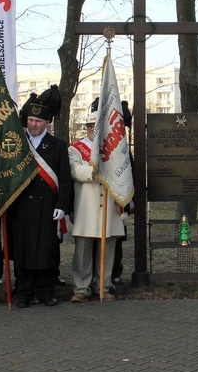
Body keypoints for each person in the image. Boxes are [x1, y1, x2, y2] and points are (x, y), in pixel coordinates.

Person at [9, 85, 72, 308]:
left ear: (47, 122)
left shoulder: (57, 146)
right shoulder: (16, 144)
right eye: (30, 121)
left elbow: (65, 180)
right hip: (21, 206)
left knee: (46, 249)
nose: (33, 125)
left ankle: (45, 291)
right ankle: (24, 291)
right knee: (23, 249)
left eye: (38, 121)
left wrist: (63, 205)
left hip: (48, 207)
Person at [69, 105, 125, 303]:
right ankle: (82, 287)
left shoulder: (115, 149)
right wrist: (96, 170)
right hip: (86, 206)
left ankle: (104, 284)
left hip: (109, 205)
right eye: (91, 126)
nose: (94, 129)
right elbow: (76, 171)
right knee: (83, 249)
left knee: (108, 247)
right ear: (86, 128)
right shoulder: (75, 148)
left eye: (97, 126)